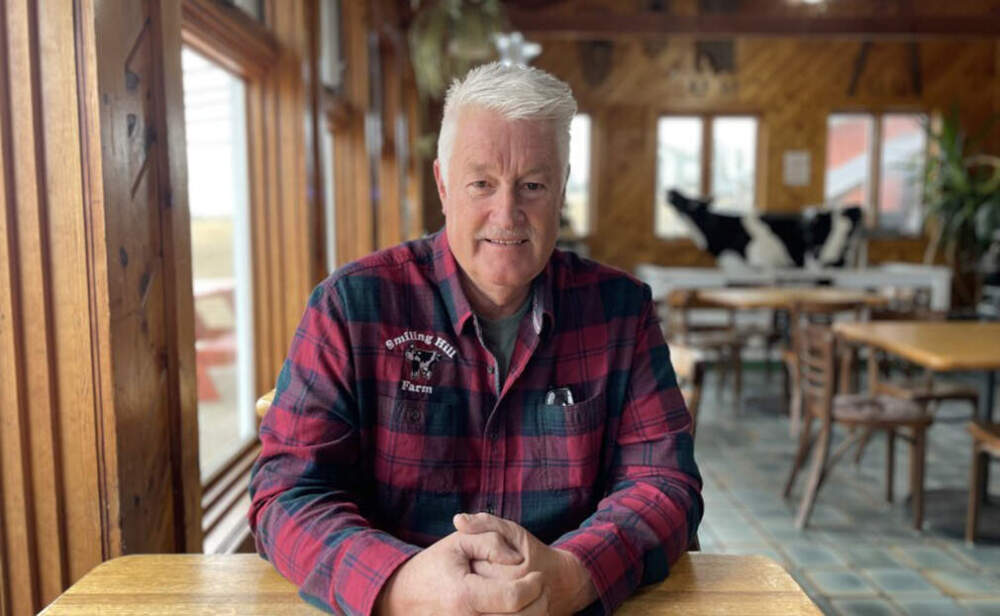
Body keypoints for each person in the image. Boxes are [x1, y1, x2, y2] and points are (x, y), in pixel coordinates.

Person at [249, 62, 703, 616]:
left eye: (532, 185)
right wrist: (399, 584)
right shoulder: (351, 305)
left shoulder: (622, 311)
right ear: (443, 184)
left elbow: (665, 482)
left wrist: (576, 573)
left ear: (561, 188)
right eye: (482, 183)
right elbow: (286, 493)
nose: (506, 214)